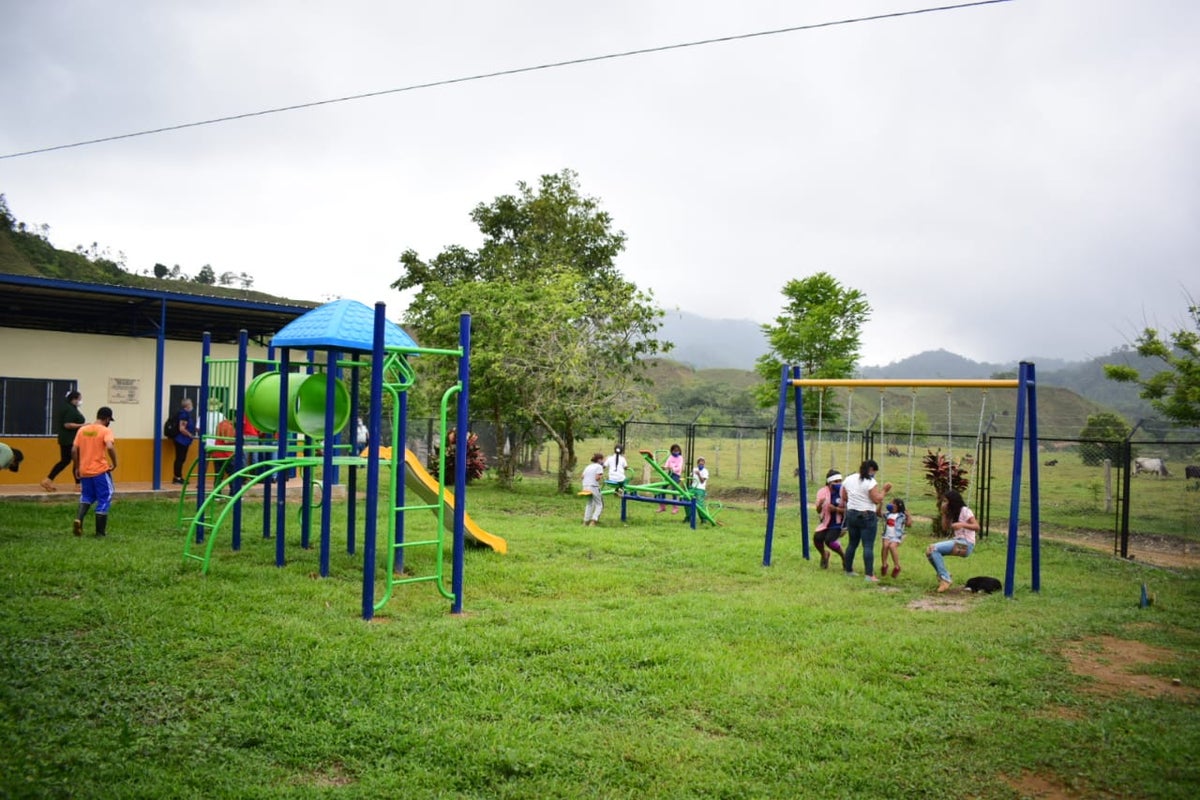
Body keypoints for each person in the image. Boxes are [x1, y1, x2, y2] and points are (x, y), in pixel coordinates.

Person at [840, 459, 893, 582]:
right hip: (867, 515)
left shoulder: (849, 479)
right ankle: (869, 575)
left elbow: (844, 496)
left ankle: (848, 570)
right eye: (874, 472)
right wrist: (884, 490)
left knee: (852, 543)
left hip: (851, 514)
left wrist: (855, 500)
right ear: (871, 470)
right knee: (867, 545)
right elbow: (876, 499)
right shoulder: (870, 482)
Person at [71, 406, 117, 537]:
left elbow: (74, 450)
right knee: (105, 497)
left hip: (84, 470)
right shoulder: (105, 430)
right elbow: (109, 446)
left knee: (87, 496)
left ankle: (79, 518)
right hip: (99, 471)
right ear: (107, 419)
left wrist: (77, 467)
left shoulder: (82, 430)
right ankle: (100, 532)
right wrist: (115, 462)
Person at [926, 489, 980, 592]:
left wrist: (962, 524)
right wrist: (944, 513)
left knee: (934, 548)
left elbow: (977, 527)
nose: (944, 503)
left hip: (966, 545)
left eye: (946, 501)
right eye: (943, 501)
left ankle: (945, 578)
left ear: (953, 501)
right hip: (959, 542)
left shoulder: (965, 510)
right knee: (929, 551)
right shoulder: (952, 512)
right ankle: (945, 574)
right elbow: (945, 528)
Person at [42, 390, 86, 492]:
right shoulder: (69, 409)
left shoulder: (69, 407)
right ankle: (78, 485)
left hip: (67, 439)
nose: (80, 401)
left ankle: (48, 480)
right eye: (79, 399)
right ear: (73, 399)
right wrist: (83, 425)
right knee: (77, 461)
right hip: (70, 440)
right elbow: (67, 424)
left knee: (65, 461)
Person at [813, 469, 846, 569]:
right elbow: (818, 511)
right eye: (836, 482)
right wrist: (820, 504)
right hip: (826, 522)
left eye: (840, 481)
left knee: (830, 541)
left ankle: (844, 557)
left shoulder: (843, 492)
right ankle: (824, 555)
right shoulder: (822, 492)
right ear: (829, 482)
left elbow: (848, 510)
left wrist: (836, 509)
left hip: (838, 523)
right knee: (817, 539)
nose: (839, 483)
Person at [879, 498, 909, 578]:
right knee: (885, 546)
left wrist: (908, 515)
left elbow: (909, 524)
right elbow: (878, 514)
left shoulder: (901, 516)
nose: (890, 504)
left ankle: (897, 566)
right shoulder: (888, 514)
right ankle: (884, 565)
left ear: (898, 506)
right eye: (890, 503)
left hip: (897, 536)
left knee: (892, 546)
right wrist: (880, 505)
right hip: (887, 535)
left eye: (893, 503)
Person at [171, 398, 197, 484]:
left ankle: (178, 477)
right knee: (180, 459)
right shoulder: (184, 415)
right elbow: (182, 429)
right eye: (191, 404)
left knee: (181, 459)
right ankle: (177, 477)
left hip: (182, 440)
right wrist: (190, 435)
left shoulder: (184, 414)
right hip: (181, 440)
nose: (192, 406)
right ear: (188, 405)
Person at [581, 451, 605, 527]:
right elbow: (597, 478)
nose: (603, 461)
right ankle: (593, 521)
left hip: (585, 486)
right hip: (593, 486)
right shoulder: (599, 467)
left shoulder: (588, 466)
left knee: (589, 503)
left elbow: (582, 476)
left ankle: (585, 521)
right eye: (602, 459)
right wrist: (601, 476)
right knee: (599, 504)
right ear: (599, 460)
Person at [658, 443, 684, 513]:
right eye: (674, 451)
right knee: (663, 488)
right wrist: (664, 467)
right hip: (670, 474)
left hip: (676, 475)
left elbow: (679, 468)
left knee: (674, 489)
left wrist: (671, 468)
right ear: (672, 451)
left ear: (679, 451)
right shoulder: (670, 457)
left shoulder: (680, 458)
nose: (676, 452)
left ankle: (675, 507)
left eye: (677, 451)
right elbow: (667, 464)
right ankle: (662, 506)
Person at [687, 456, 709, 523]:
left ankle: (703, 518)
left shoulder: (705, 471)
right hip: (693, 487)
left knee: (699, 504)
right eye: (700, 464)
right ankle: (689, 517)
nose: (701, 465)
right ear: (697, 464)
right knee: (686, 498)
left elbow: (702, 481)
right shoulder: (694, 469)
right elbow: (690, 478)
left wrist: (699, 474)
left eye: (702, 464)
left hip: (700, 489)